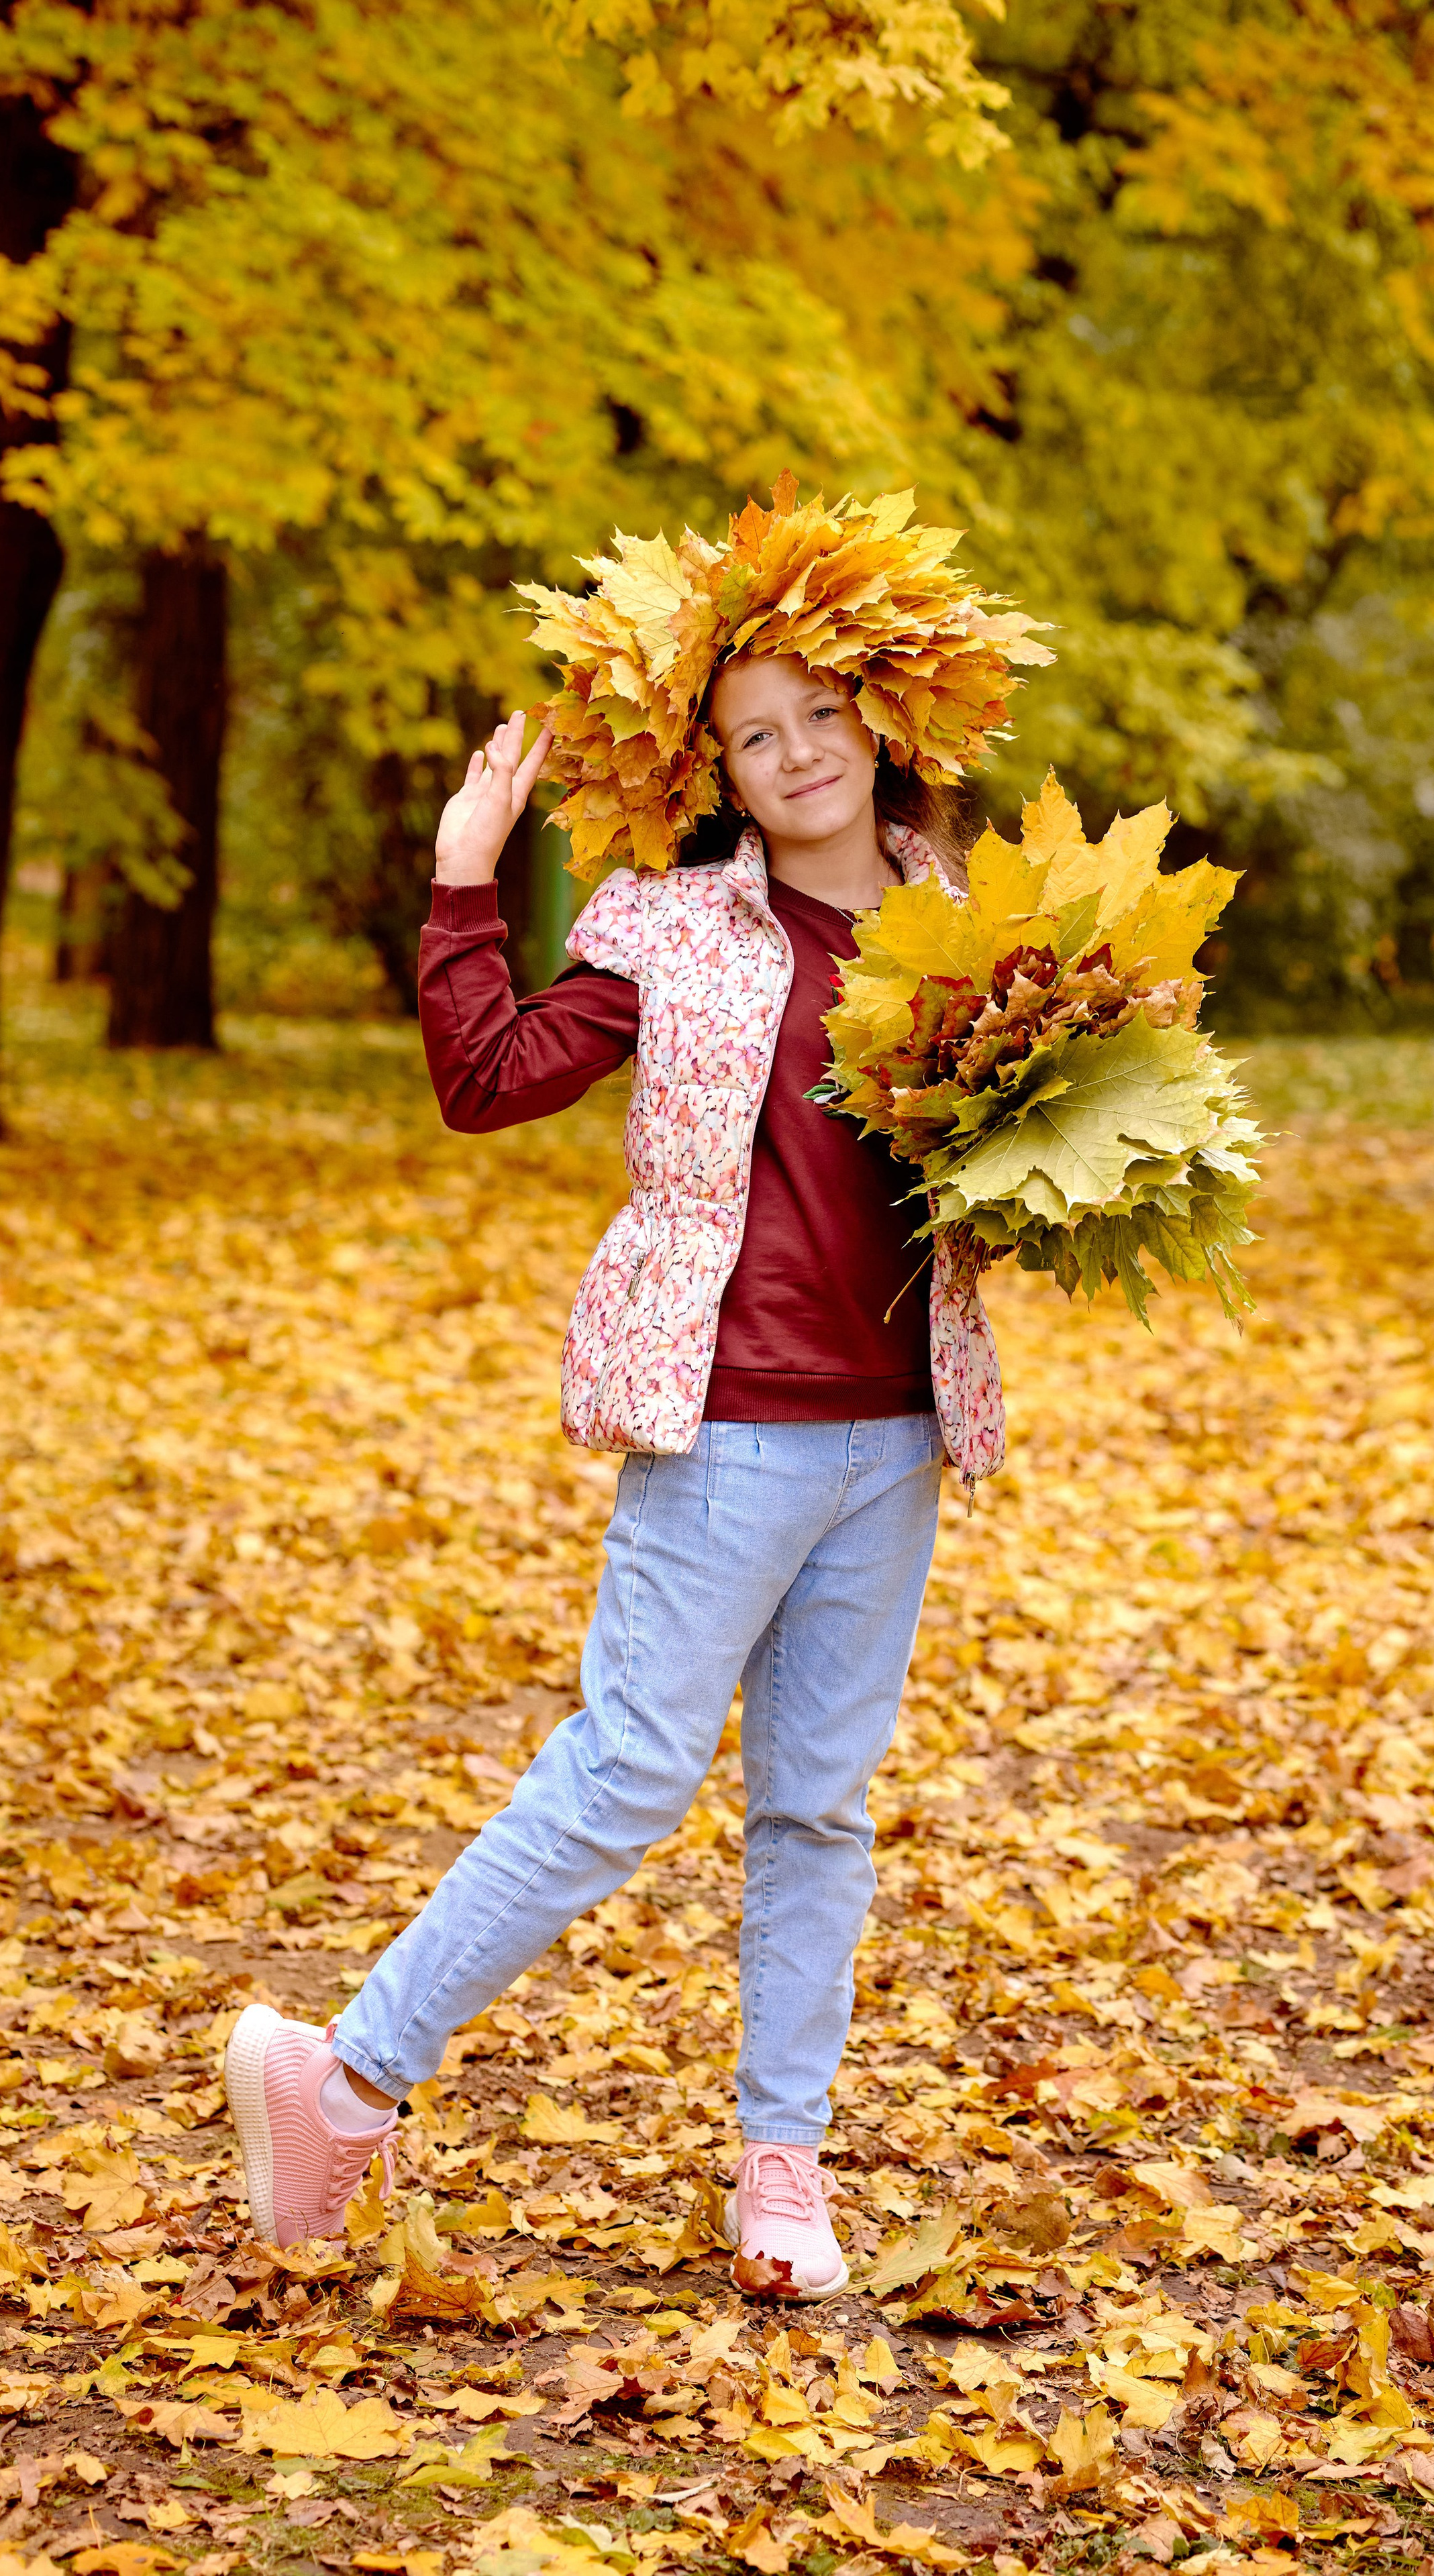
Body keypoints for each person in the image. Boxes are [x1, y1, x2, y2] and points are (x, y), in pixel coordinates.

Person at [223, 484, 1038, 2299]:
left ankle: (781, 2168)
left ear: (883, 724)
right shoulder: (673, 930)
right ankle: (341, 2082)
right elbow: (488, 1076)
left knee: (821, 1806)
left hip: (897, 1437)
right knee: (626, 1777)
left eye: (823, 714)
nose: (797, 751)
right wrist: (463, 871)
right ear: (721, 775)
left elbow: (1049, 1155)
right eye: (755, 736)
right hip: (730, 1421)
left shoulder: (980, 923)